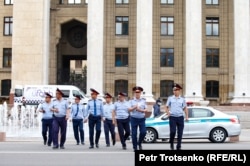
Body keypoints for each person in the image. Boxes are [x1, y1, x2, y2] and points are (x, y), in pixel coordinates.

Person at [165, 83, 188, 150]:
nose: (175, 91)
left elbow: (185, 108)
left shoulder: (182, 99)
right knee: (173, 131)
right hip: (173, 117)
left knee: (180, 133)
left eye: (176, 90)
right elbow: (166, 107)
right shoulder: (170, 98)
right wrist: (168, 113)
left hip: (180, 117)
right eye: (174, 90)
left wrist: (187, 116)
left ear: (179, 91)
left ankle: (178, 146)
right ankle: (171, 142)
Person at [128, 86, 147, 151]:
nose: (137, 93)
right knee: (134, 134)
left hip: (141, 118)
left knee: (143, 132)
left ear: (140, 93)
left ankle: (139, 143)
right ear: (134, 93)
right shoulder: (131, 101)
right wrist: (134, 107)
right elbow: (129, 109)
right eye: (136, 92)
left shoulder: (143, 100)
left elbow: (146, 109)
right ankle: (135, 147)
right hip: (134, 118)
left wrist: (140, 110)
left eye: (138, 92)